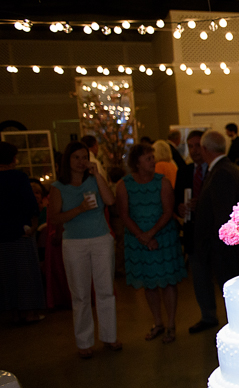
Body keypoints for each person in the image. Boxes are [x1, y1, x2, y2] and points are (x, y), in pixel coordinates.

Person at [48, 141, 120, 358]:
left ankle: (110, 336)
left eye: (84, 157)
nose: (81, 162)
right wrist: (78, 209)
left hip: (100, 238)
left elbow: (110, 200)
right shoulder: (58, 187)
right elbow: (54, 218)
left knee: (106, 289)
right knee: (80, 294)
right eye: (76, 158)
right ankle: (84, 341)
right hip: (74, 243)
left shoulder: (94, 180)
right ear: (67, 160)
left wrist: (97, 175)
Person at [116, 144, 186, 343]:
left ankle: (171, 324)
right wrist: (142, 236)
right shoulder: (124, 184)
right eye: (148, 158)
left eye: (152, 157)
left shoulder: (162, 182)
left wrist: (151, 234)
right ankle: (158, 322)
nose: (152, 161)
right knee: (149, 283)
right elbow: (124, 214)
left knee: (168, 281)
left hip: (162, 236)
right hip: (138, 238)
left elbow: (168, 211)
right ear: (136, 162)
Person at [189, 130, 239, 334]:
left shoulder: (222, 172)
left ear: (205, 149)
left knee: (230, 290)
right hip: (223, 248)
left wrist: (215, 248)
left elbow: (222, 216)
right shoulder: (225, 169)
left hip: (223, 249)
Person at [0, 141, 46, 324]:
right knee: (25, 274)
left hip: (1, 235)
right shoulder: (19, 177)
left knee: (5, 276)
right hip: (20, 233)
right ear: (12, 158)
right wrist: (33, 225)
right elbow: (31, 205)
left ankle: (10, 313)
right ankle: (29, 312)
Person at [174, 130, 207, 256]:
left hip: (210, 232)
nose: (194, 150)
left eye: (197, 145)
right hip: (191, 232)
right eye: (190, 146)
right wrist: (179, 208)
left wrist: (201, 203)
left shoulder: (214, 171)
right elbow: (176, 198)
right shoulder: (184, 171)